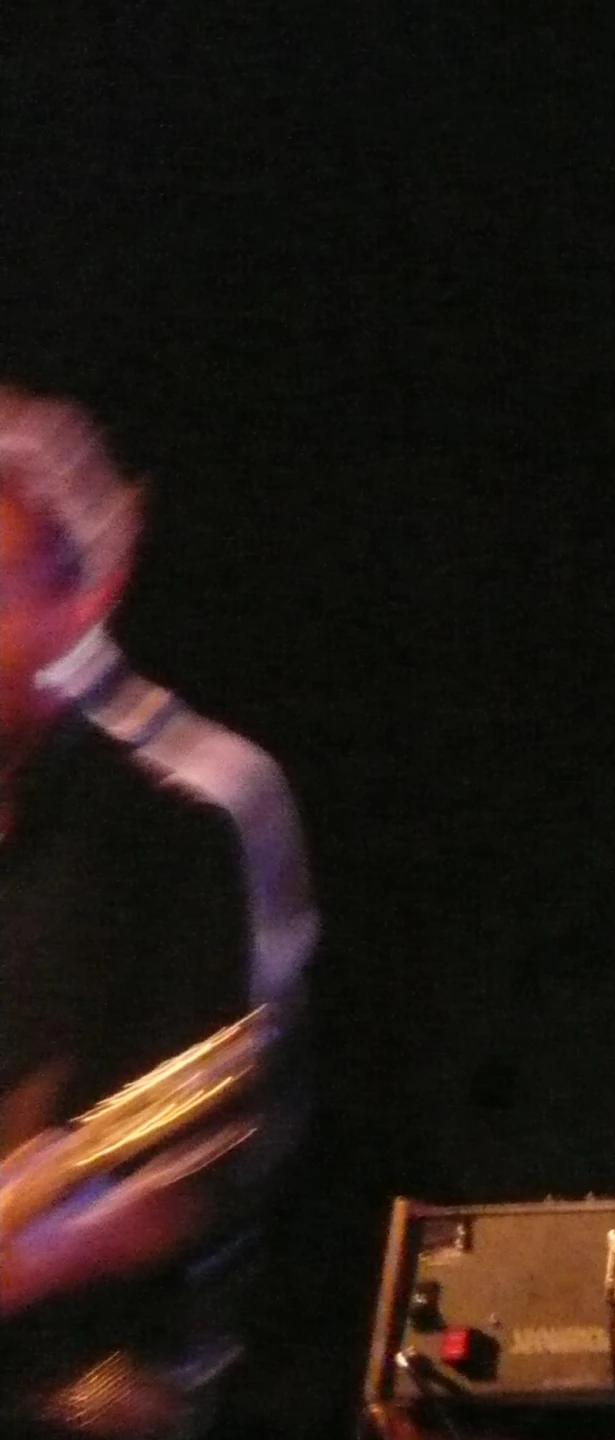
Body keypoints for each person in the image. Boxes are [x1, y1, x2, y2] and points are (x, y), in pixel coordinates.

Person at [0, 388, 315, 1437]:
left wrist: (38, 1252)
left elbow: (200, 1168)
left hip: (86, 1394)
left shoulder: (178, 825)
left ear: (78, 601)